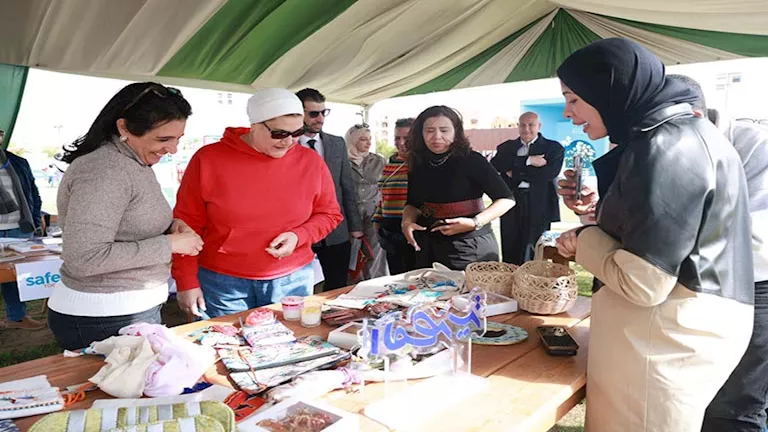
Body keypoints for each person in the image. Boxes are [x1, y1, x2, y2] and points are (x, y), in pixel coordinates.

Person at [554, 38, 754, 431]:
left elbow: (644, 282)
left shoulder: (665, 144)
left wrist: (584, 240)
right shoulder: (685, 133)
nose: (568, 112)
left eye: (574, 99)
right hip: (677, 330)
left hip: (663, 336)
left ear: (607, 90)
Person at [49, 82, 204, 350]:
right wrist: (169, 244)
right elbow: (84, 258)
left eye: (178, 138)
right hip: (103, 317)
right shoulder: (104, 170)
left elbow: (128, 221)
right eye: (163, 139)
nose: (173, 150)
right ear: (124, 128)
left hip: (122, 311)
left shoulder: (132, 161)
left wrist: (170, 227)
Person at [173, 88, 343, 319]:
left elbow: (330, 214)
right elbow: (186, 224)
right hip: (223, 283)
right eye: (279, 133)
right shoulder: (208, 159)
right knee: (228, 340)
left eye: (297, 133)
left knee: (292, 339)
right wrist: (186, 281)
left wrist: (299, 236)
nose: (289, 142)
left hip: (292, 279)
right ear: (254, 125)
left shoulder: (310, 161)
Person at [665, 74, 768, 432]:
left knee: (735, 408)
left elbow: (750, 236)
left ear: (692, 115)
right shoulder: (674, 145)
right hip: (696, 288)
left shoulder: (754, 145)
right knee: (692, 398)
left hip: (755, 286)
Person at [401, 106, 515, 270]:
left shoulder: (472, 160)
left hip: (469, 246)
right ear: (421, 133)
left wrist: (474, 222)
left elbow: (506, 199)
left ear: (456, 132)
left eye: (444, 130)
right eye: (430, 130)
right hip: (428, 245)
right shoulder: (418, 162)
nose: (437, 136)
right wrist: (407, 222)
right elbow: (413, 203)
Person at [296, 88, 363, 291]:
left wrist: (355, 226)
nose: (320, 119)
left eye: (324, 112)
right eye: (313, 114)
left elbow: (347, 186)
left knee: (337, 287)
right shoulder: (285, 145)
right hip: (299, 232)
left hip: (336, 231)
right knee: (301, 291)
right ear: (298, 113)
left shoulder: (336, 143)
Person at [491, 112, 564, 265]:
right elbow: (496, 165)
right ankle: (510, 277)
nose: (526, 129)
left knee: (533, 246)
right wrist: (529, 160)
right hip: (511, 201)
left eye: (531, 125)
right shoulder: (506, 147)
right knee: (510, 243)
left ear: (539, 126)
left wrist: (514, 171)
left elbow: (548, 174)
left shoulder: (553, 148)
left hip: (538, 202)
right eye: (523, 125)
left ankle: (531, 278)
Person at [0, 129, 45, 331]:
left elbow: (33, 193)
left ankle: (17, 317)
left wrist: (35, 220)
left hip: (19, 229)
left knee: (14, 277)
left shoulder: (18, 162)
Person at [373, 118, 416, 274]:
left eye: (407, 138)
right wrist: (377, 221)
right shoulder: (390, 163)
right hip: (390, 231)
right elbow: (383, 196)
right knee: (396, 276)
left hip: (413, 230)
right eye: (397, 138)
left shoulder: (421, 164)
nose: (401, 143)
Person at [345, 123, 387, 280]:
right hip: (350, 213)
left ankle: (376, 283)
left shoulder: (379, 161)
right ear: (352, 140)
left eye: (370, 139)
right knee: (353, 252)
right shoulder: (342, 161)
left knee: (375, 250)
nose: (368, 143)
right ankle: (354, 284)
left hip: (373, 212)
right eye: (363, 139)